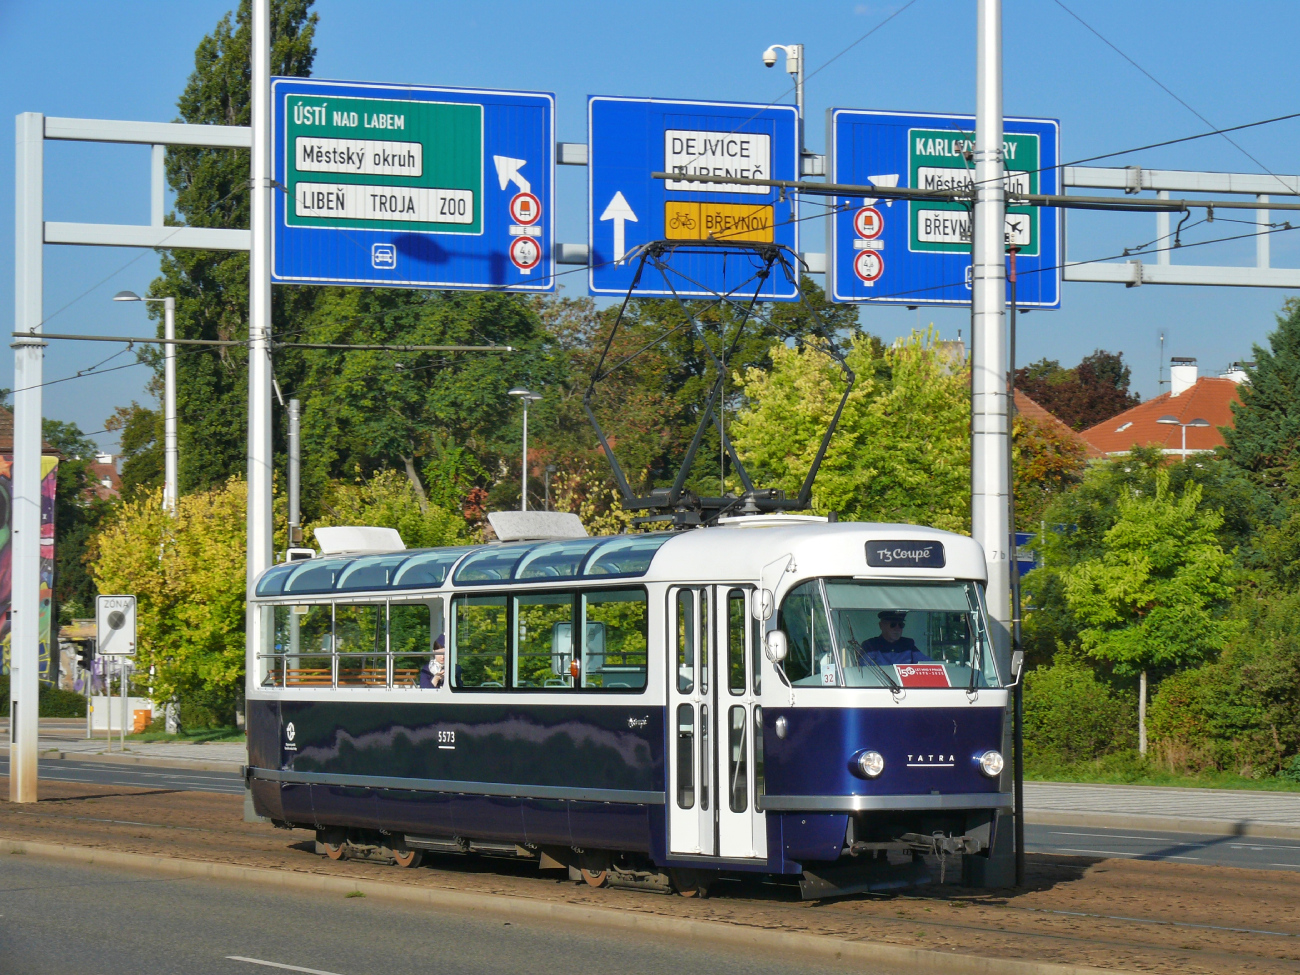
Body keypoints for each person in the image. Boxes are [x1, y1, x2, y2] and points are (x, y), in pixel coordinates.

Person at [856, 611, 931, 666]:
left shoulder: (908, 645)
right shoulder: (870, 646)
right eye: (893, 625)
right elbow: (867, 670)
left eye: (901, 625)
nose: (897, 628)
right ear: (881, 626)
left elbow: (927, 663)